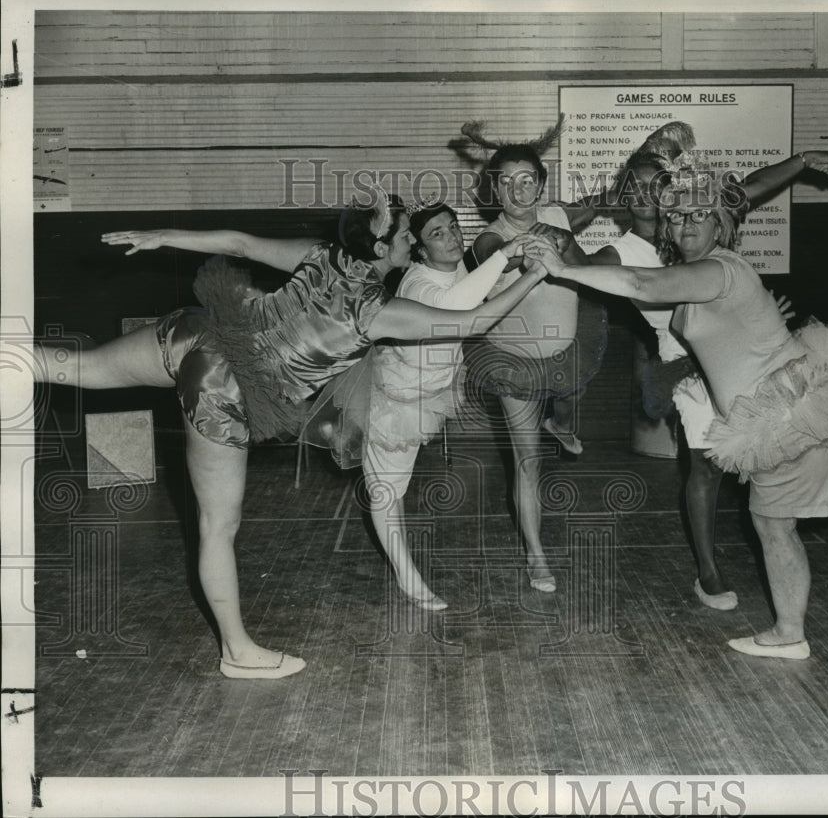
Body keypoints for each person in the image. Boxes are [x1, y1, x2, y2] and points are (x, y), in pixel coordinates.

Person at [34, 191, 550, 678]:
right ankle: (238, 653)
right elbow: (474, 319)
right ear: (379, 248)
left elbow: (238, 243)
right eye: (402, 236)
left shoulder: (319, 254)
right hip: (223, 388)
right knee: (217, 526)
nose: (411, 242)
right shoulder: (379, 313)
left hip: (197, 333)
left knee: (77, 368)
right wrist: (537, 272)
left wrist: (163, 234)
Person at [525, 159, 828, 659]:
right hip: (803, 398)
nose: (687, 223)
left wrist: (562, 268)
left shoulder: (716, 269)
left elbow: (641, 285)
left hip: (780, 416)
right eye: (677, 216)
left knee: (773, 522)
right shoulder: (699, 276)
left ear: (721, 223)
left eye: (699, 215)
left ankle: (789, 634)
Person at [453, 122, 609, 593]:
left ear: (540, 185)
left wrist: (565, 240)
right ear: (494, 188)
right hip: (513, 362)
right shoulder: (487, 237)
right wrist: (524, 246)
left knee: (571, 387)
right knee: (528, 461)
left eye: (527, 181)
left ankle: (560, 420)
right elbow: (494, 254)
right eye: (506, 181)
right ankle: (536, 555)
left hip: (566, 351)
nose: (518, 190)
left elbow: (582, 264)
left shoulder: (559, 217)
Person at [355, 202, 529, 610]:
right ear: (418, 249)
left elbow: (478, 287)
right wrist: (506, 253)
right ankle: (407, 577)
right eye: (437, 233)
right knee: (386, 492)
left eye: (453, 227)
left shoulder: (458, 270)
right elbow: (455, 307)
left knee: (392, 488)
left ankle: (404, 572)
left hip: (428, 392)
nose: (451, 237)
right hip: (394, 398)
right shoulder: (417, 282)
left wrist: (518, 259)